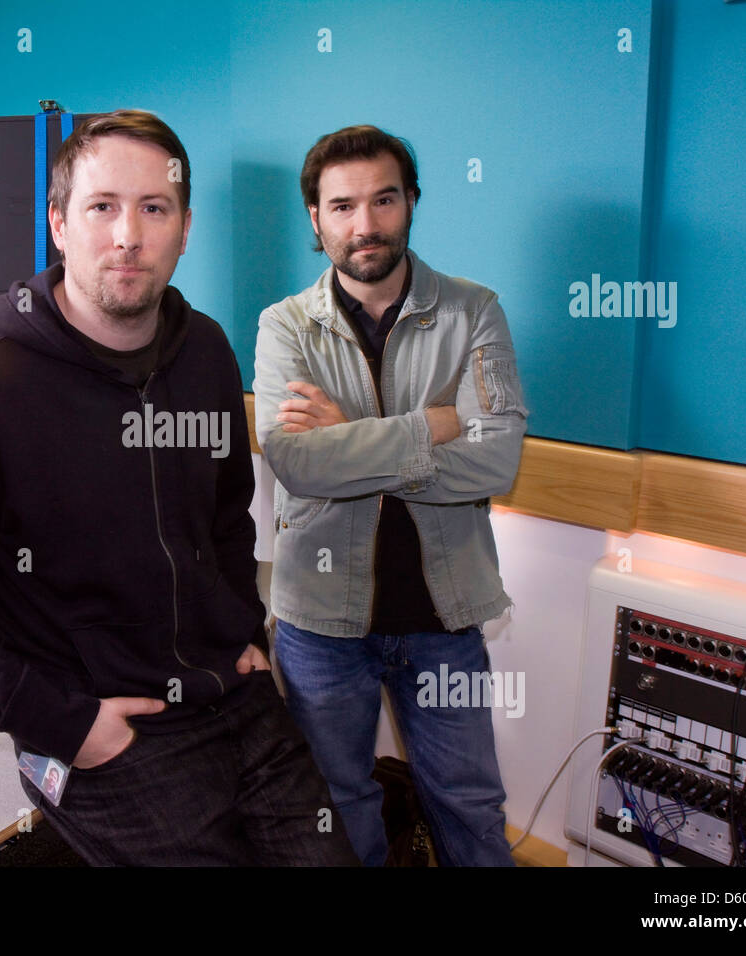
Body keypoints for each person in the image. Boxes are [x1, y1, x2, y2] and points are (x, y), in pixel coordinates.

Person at [0, 110, 354, 866]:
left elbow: (227, 516)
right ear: (60, 224)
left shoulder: (205, 350)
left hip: (232, 696)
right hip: (108, 729)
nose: (127, 236)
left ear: (185, 227)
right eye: (102, 206)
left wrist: (243, 627)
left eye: (154, 208)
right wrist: (69, 726)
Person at [253, 125, 528, 866]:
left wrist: (352, 434)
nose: (364, 225)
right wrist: (430, 427)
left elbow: (496, 459)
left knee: (469, 804)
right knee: (338, 806)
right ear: (315, 217)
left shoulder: (475, 312)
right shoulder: (284, 326)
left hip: (445, 617)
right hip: (319, 625)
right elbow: (295, 462)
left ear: (411, 202)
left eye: (383, 199)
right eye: (341, 206)